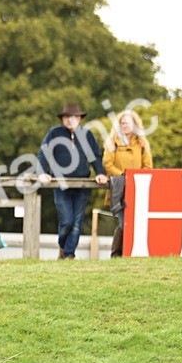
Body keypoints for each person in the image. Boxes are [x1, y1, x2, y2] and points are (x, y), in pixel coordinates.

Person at [37, 103, 107, 260]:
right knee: (67, 221)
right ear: (62, 119)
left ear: (80, 119)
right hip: (61, 184)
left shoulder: (87, 135)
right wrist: (42, 172)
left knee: (77, 222)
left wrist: (100, 173)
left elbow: (95, 156)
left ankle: (69, 254)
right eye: (67, 117)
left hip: (82, 184)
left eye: (74, 117)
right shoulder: (54, 133)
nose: (70, 120)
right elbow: (43, 153)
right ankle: (63, 247)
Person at [103, 110, 154, 258]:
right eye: (123, 123)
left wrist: (135, 179)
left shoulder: (142, 144)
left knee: (135, 222)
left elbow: (148, 166)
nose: (125, 126)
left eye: (128, 123)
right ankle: (116, 254)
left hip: (137, 188)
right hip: (119, 188)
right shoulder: (112, 142)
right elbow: (107, 163)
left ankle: (129, 253)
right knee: (123, 221)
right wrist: (123, 177)